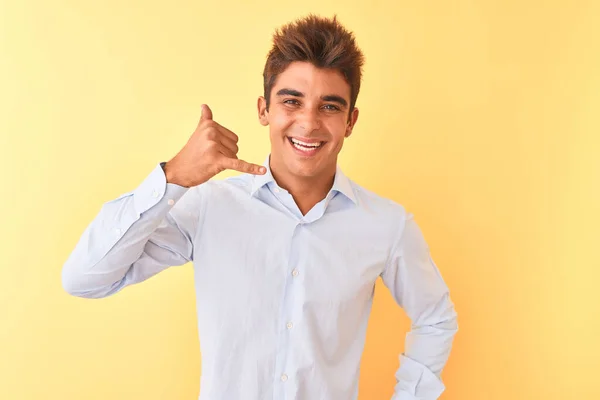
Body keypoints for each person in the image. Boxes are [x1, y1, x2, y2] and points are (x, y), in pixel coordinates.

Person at [62, 14, 458, 400]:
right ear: (263, 110)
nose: (309, 122)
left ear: (350, 121)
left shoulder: (386, 225)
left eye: (330, 106)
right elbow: (86, 278)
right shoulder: (209, 207)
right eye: (292, 101)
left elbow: (436, 319)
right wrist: (173, 176)